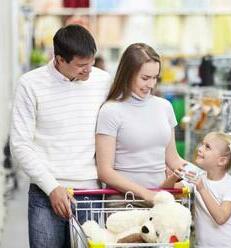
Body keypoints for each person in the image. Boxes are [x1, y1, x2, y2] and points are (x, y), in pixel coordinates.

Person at [10, 24, 111, 248]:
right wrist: (52, 187)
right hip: (46, 194)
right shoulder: (30, 84)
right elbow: (20, 145)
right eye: (81, 65)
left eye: (91, 62)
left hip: (91, 193)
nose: (89, 70)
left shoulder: (103, 82)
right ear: (59, 60)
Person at [96, 43, 186, 203]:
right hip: (123, 202)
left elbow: (173, 159)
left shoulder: (164, 107)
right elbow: (105, 172)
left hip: (160, 198)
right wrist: (146, 194)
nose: (151, 84)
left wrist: (201, 173)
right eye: (145, 78)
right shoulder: (110, 111)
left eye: (155, 78)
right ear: (127, 74)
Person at [162, 131, 231, 248]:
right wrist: (173, 177)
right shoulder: (198, 177)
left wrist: (202, 189)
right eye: (202, 144)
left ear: (222, 161)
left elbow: (221, 217)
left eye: (207, 147)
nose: (200, 148)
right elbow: (166, 191)